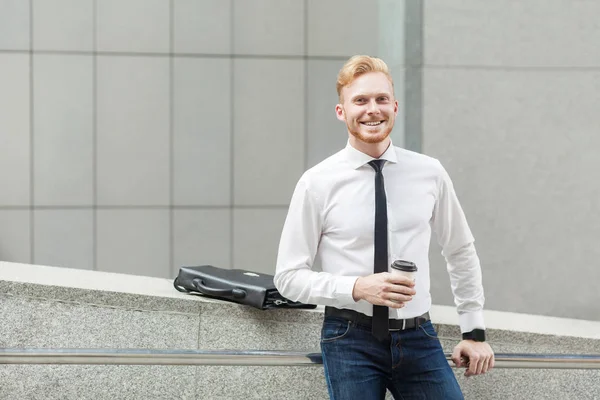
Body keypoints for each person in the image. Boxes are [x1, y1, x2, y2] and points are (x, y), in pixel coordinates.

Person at [274, 55, 494, 400]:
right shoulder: (316, 183)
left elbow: (460, 250)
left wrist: (474, 331)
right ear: (341, 111)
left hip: (419, 336)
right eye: (359, 100)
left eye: (380, 99)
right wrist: (358, 287)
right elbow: (288, 278)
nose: (371, 109)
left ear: (395, 106)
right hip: (350, 338)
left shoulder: (429, 172)